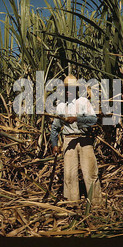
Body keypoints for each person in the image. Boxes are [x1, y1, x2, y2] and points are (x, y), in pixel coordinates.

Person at [50, 74, 102, 206]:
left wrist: (77, 119)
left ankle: (96, 203)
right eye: (67, 89)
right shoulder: (61, 106)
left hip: (85, 141)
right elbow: (55, 127)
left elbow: (93, 120)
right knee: (69, 174)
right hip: (69, 141)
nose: (69, 91)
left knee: (90, 172)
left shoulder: (84, 102)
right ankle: (72, 203)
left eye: (71, 89)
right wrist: (55, 144)